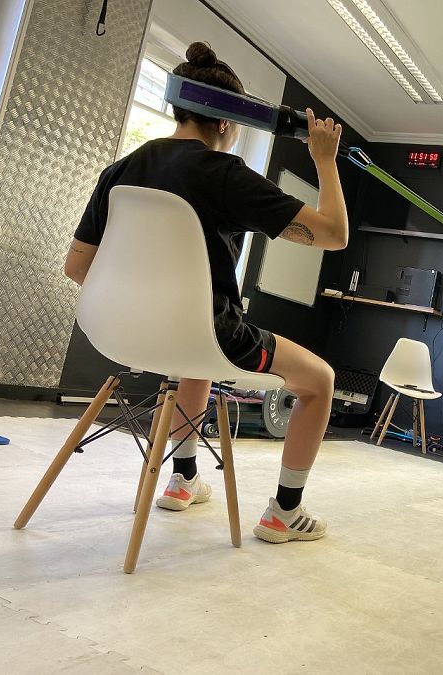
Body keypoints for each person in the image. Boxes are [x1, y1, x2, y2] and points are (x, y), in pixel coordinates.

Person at [63, 42, 348, 544]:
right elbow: (333, 235)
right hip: (209, 333)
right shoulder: (225, 174)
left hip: (116, 331)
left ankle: (184, 478)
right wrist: (325, 161)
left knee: (189, 360)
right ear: (225, 122)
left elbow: (77, 266)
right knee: (320, 381)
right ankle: (285, 510)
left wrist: (146, 308)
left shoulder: (121, 170)